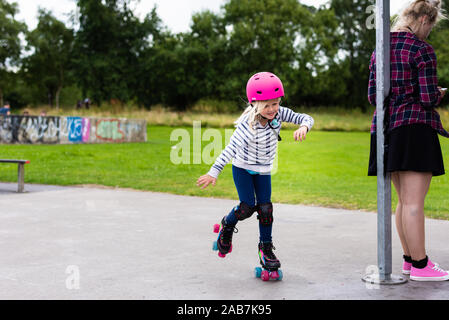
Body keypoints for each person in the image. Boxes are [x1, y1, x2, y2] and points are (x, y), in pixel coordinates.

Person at [197, 72, 314, 278]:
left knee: (266, 209)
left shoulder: (279, 114)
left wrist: (304, 126)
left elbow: (306, 117)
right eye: (266, 105)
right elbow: (229, 149)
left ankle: (266, 249)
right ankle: (228, 224)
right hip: (242, 168)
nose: (271, 109)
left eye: (275, 104)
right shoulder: (247, 125)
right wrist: (213, 172)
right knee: (246, 207)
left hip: (263, 170)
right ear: (255, 104)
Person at [368, 0, 449, 281]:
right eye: (431, 26)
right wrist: (439, 92)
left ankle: (409, 260)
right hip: (414, 128)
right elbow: (427, 98)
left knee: (404, 202)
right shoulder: (422, 49)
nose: (429, 32)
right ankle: (421, 265)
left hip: (386, 129)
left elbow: (372, 96)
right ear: (425, 19)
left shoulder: (381, 46)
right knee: (414, 203)